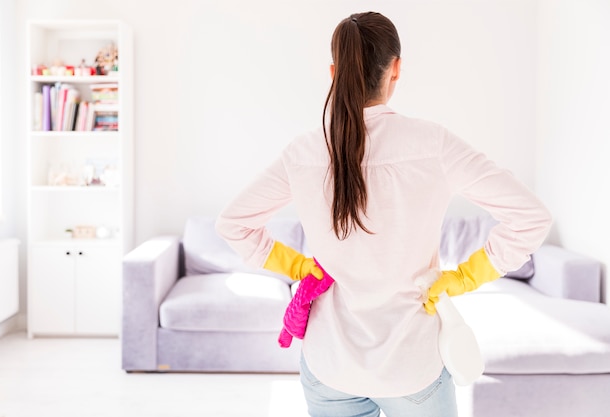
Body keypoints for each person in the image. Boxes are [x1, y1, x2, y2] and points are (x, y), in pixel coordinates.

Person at [215, 11, 551, 417]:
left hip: (329, 367)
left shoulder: (303, 153)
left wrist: (300, 266)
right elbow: (531, 217)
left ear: (334, 72)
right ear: (396, 69)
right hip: (412, 367)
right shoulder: (434, 145)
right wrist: (464, 277)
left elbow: (233, 223)